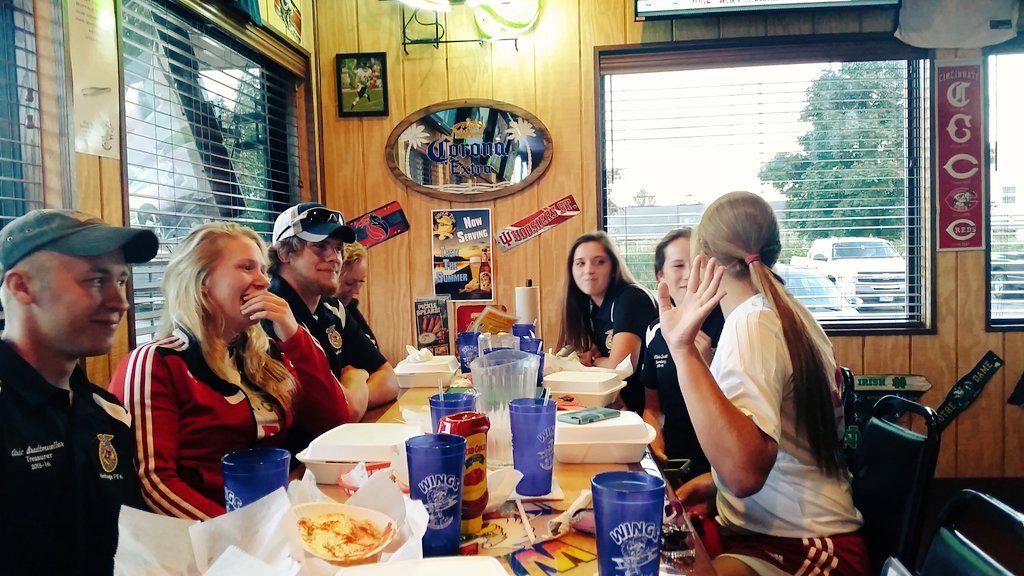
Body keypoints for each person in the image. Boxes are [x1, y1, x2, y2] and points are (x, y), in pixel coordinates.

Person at [658, 192, 867, 576]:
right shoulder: (784, 312)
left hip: (805, 543)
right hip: (770, 531)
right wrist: (715, 483)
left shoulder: (752, 324)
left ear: (706, 262)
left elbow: (743, 474)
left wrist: (682, 350)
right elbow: (772, 450)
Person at [110, 222, 354, 519]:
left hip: (277, 520)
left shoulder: (265, 356)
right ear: (203, 282)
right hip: (209, 542)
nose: (264, 281)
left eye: (263, 269)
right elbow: (153, 484)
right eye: (247, 267)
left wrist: (292, 332)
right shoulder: (156, 362)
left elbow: (336, 423)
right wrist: (237, 537)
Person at [0, 209, 158, 574]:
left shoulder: (108, 413)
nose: (121, 303)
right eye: (94, 280)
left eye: (120, 281)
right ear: (21, 286)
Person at [269, 203, 398, 424]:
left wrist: (353, 399)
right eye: (320, 246)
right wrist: (356, 378)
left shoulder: (333, 308)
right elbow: (329, 415)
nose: (335, 258)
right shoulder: (270, 314)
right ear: (284, 252)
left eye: (338, 248)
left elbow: (388, 379)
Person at [639, 228, 723, 481]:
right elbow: (652, 407)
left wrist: (706, 364)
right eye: (678, 265)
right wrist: (653, 440)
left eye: (698, 264)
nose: (689, 274)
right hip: (675, 464)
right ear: (660, 275)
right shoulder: (654, 331)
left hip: (722, 470)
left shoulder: (732, 323)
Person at [557, 231, 657, 413]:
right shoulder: (590, 308)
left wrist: (594, 360)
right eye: (580, 263)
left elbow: (619, 366)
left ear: (613, 268)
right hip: (620, 408)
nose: (588, 270)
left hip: (651, 414)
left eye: (599, 262)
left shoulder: (630, 298)